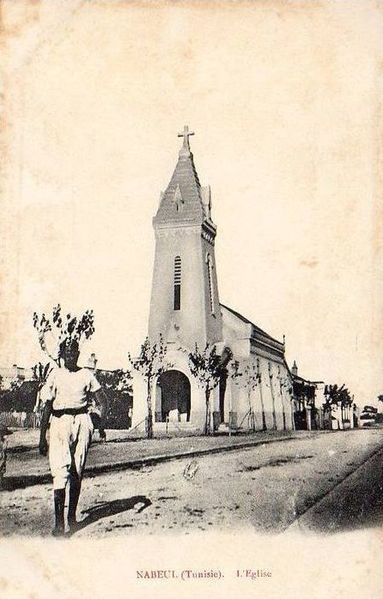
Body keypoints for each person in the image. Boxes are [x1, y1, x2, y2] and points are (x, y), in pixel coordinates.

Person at [39, 339, 107, 536]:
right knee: (60, 472)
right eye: (67, 353)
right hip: (60, 422)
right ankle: (59, 523)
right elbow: (47, 407)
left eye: (73, 353)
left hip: (83, 421)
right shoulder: (55, 375)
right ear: (62, 354)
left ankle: (72, 517)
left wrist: (98, 421)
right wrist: (42, 437)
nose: (70, 356)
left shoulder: (86, 374)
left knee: (77, 470)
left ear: (78, 353)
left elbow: (103, 400)